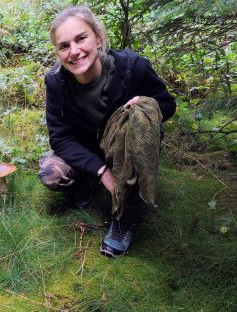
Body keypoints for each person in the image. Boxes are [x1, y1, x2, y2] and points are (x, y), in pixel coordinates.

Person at [38, 5, 176, 258]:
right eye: (64, 45)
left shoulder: (133, 67)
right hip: (88, 150)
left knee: (136, 117)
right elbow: (59, 137)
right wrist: (100, 171)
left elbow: (168, 104)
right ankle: (89, 180)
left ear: (98, 38)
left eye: (81, 39)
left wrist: (147, 105)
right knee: (52, 173)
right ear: (58, 52)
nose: (74, 51)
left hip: (126, 147)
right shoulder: (56, 81)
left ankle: (125, 217)